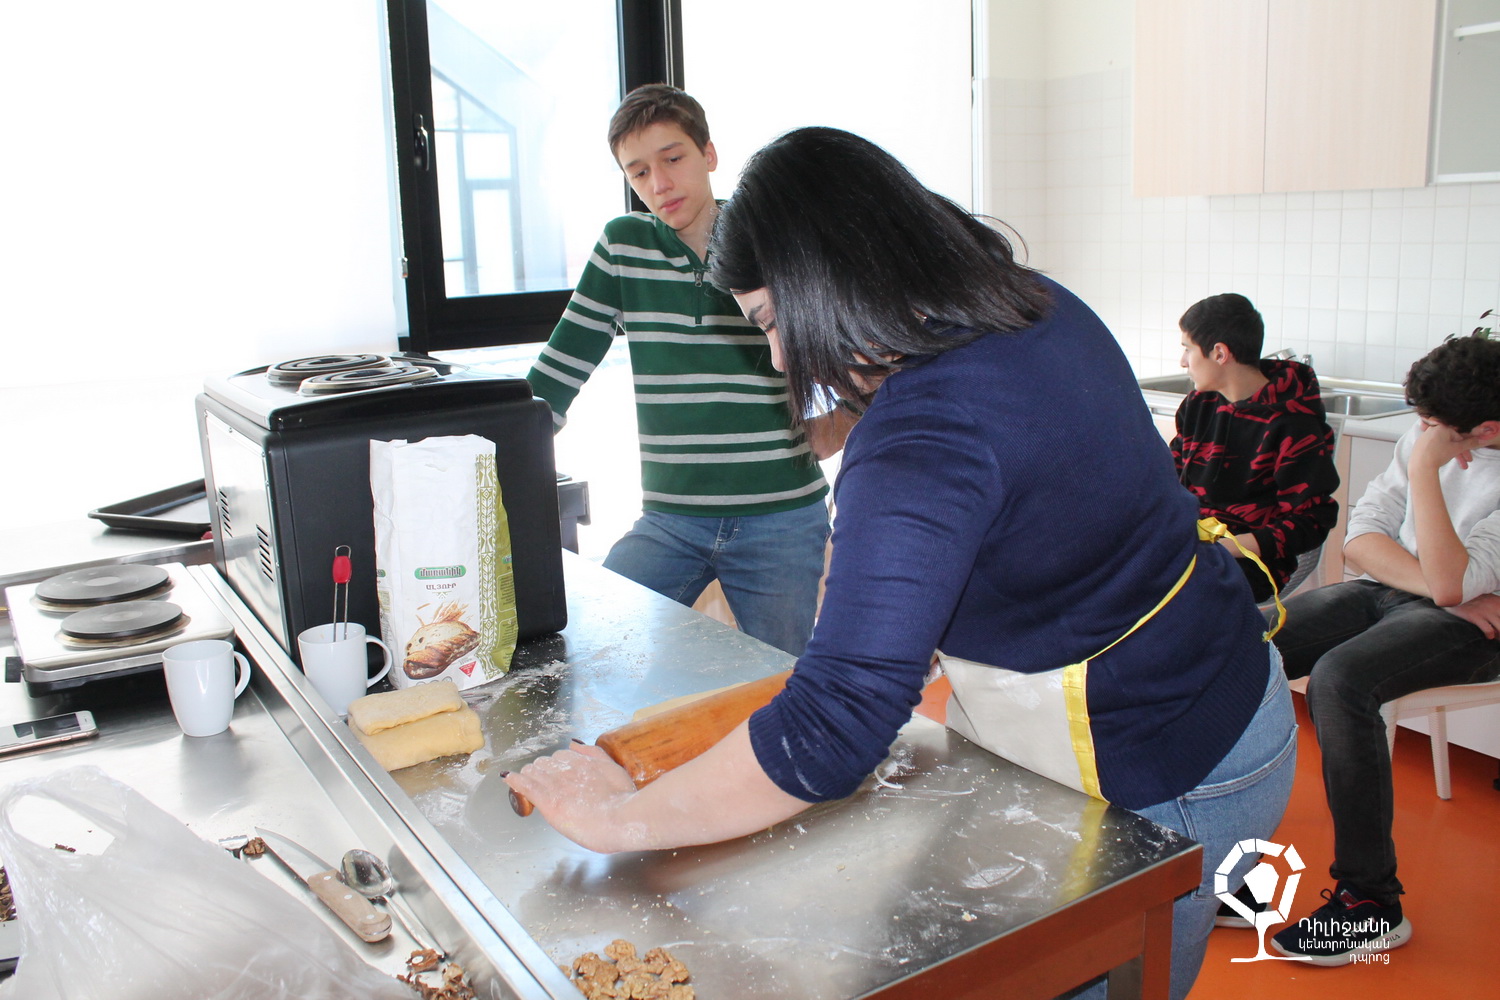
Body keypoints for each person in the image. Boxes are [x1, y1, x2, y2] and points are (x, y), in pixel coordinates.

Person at [505, 127, 1296, 1000]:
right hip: (1230, 681)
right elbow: (1025, 524)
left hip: (1169, 763)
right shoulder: (1031, 302)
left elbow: (833, 725)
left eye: (770, 321)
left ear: (828, 283)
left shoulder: (922, 435)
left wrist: (620, 820)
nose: (778, 356)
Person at [525, 86, 853, 657]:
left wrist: (841, 421)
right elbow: (558, 371)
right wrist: (493, 466)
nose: (659, 183)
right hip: (671, 521)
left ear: (709, 154)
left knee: (781, 681)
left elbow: (866, 348)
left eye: (673, 158)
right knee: (590, 647)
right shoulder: (623, 248)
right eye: (638, 171)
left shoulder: (769, 241)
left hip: (782, 518)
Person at [1269, 334, 1500, 965]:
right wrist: (1443, 587)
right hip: (1406, 593)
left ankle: (1371, 902)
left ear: (1484, 431)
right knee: (1247, 639)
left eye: (1433, 429)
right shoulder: (1426, 436)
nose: (1420, 435)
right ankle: (1229, 849)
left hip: (1479, 632)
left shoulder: (1429, 454)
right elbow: (1361, 540)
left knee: (1340, 681)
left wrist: (1425, 472)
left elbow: (1452, 582)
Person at [1170, 293, 1339, 603]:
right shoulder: (1198, 405)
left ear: (1219, 353)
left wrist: (1225, 547)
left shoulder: (1292, 424)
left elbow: (1312, 521)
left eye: (1188, 349)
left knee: (1171, 601)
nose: (1183, 362)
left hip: (1252, 562)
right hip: (1190, 546)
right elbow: (1169, 478)